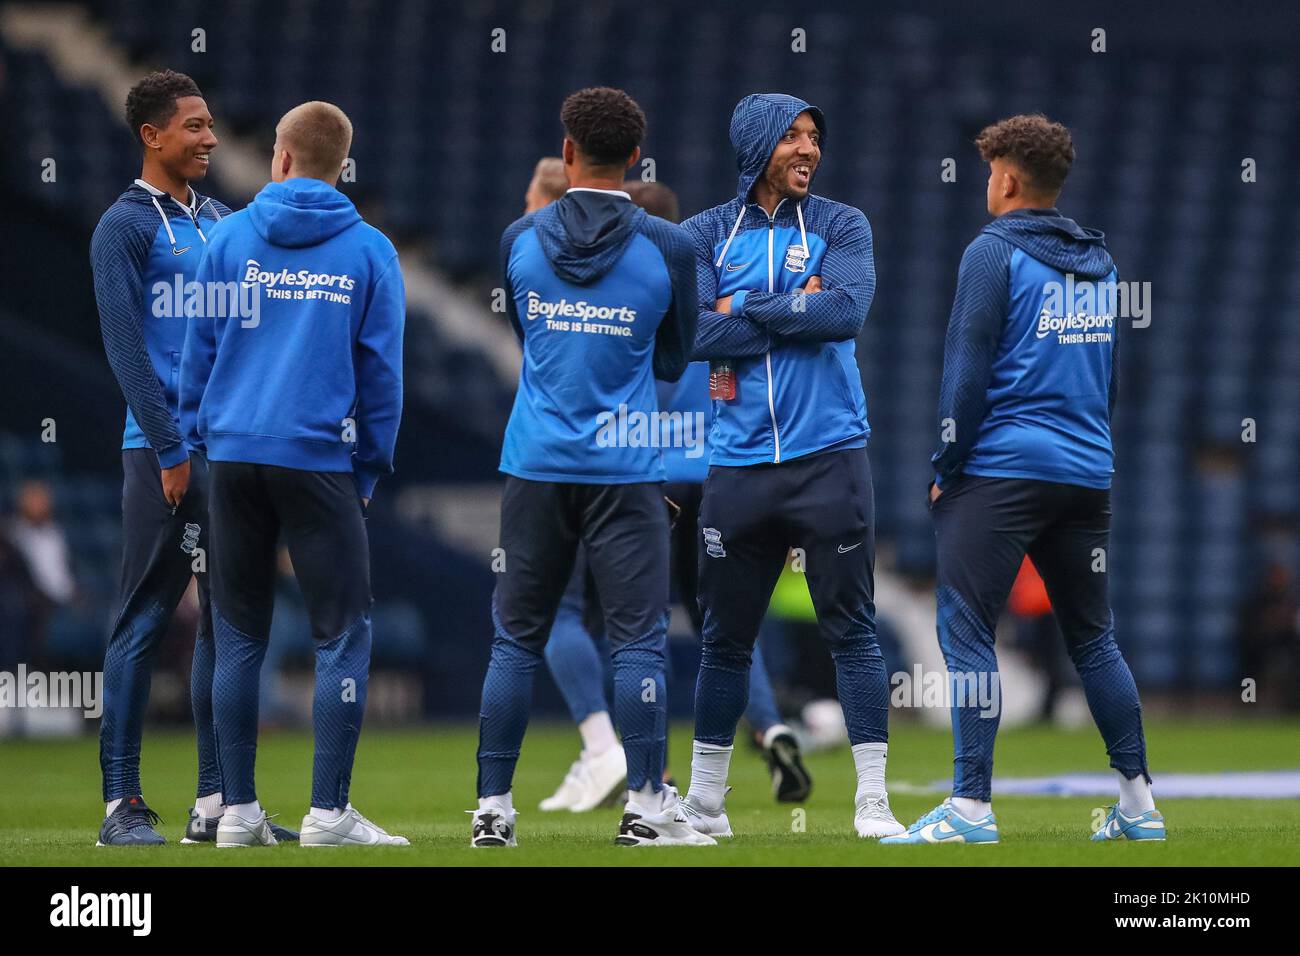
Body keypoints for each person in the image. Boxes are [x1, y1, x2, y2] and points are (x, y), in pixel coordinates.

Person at [884, 114, 1163, 844]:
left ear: (1006, 179)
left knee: (968, 631)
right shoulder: (1101, 263)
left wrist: (946, 465)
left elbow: (966, 371)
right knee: (1095, 639)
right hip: (1085, 472)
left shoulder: (991, 252)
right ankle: (1139, 808)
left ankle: (970, 809)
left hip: (1002, 470)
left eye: (988, 172)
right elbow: (1109, 382)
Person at [471, 87, 709, 848]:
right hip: (627, 464)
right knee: (638, 641)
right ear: (637, 160)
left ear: (566, 153)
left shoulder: (520, 235)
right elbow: (676, 355)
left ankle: (493, 813)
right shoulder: (670, 245)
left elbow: (530, 336)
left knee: (515, 638)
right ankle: (645, 807)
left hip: (536, 462)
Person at [537, 177, 811, 813]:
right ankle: (771, 729)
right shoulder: (706, 300)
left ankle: (650, 767)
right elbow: (726, 391)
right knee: (725, 625)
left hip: (647, 481)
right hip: (712, 477)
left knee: (641, 625)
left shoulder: (629, 299)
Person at [180, 100, 408, 847]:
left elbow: (197, 353)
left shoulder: (227, 237)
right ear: (342, 166)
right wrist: (368, 467)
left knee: (238, 636)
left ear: (279, 158)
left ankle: (237, 814)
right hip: (318, 461)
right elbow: (382, 378)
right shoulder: (371, 250)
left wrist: (199, 436)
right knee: (342, 635)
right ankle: (327, 814)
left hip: (234, 456)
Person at [678, 93, 903, 839]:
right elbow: (695, 336)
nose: (808, 150)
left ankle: (873, 800)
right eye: (793, 138)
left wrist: (744, 305)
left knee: (854, 631)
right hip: (738, 466)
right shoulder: (703, 232)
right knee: (724, 641)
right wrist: (789, 306)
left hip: (830, 457)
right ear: (755, 145)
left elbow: (844, 314)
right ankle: (706, 805)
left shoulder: (843, 224)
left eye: (814, 137)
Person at [89, 71, 295, 846]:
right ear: (152, 136)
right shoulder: (123, 227)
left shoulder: (221, 220)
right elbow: (123, 345)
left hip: (233, 451)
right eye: (196, 126)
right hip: (162, 452)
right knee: (142, 621)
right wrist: (170, 446)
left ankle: (215, 805)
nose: (211, 139)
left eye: (211, 126)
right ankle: (121, 805)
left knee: (225, 625)